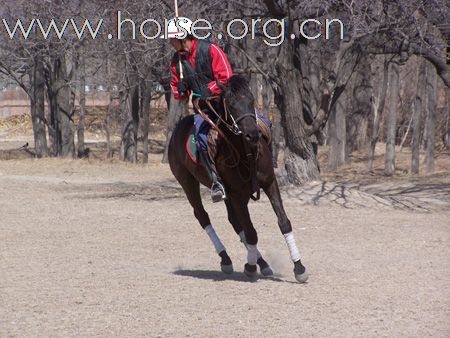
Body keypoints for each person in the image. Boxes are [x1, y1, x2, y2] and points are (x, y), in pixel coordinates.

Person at [168, 17, 232, 203]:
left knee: (256, 124)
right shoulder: (176, 62)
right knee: (201, 139)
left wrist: (210, 89)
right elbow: (179, 95)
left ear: (182, 37)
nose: (170, 42)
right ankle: (216, 181)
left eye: (172, 38)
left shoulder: (211, 50)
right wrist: (179, 89)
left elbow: (226, 77)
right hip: (204, 110)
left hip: (225, 103)